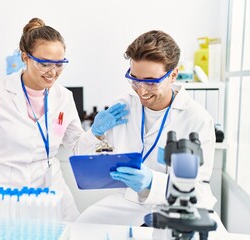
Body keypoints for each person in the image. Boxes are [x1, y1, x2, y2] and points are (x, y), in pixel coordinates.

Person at [0, 17, 129, 222]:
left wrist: (96, 132)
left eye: (59, 64)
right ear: (25, 57)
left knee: (70, 233)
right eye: (44, 64)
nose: (53, 72)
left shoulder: (63, 97)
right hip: (3, 188)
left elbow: (77, 149)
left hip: (49, 185)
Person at [75, 30, 217, 226]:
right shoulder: (123, 106)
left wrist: (153, 182)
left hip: (176, 206)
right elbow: (80, 159)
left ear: (173, 74)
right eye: (135, 79)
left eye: (150, 82)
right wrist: (95, 133)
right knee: (83, 226)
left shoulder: (197, 119)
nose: (141, 90)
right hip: (129, 202)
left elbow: (198, 191)